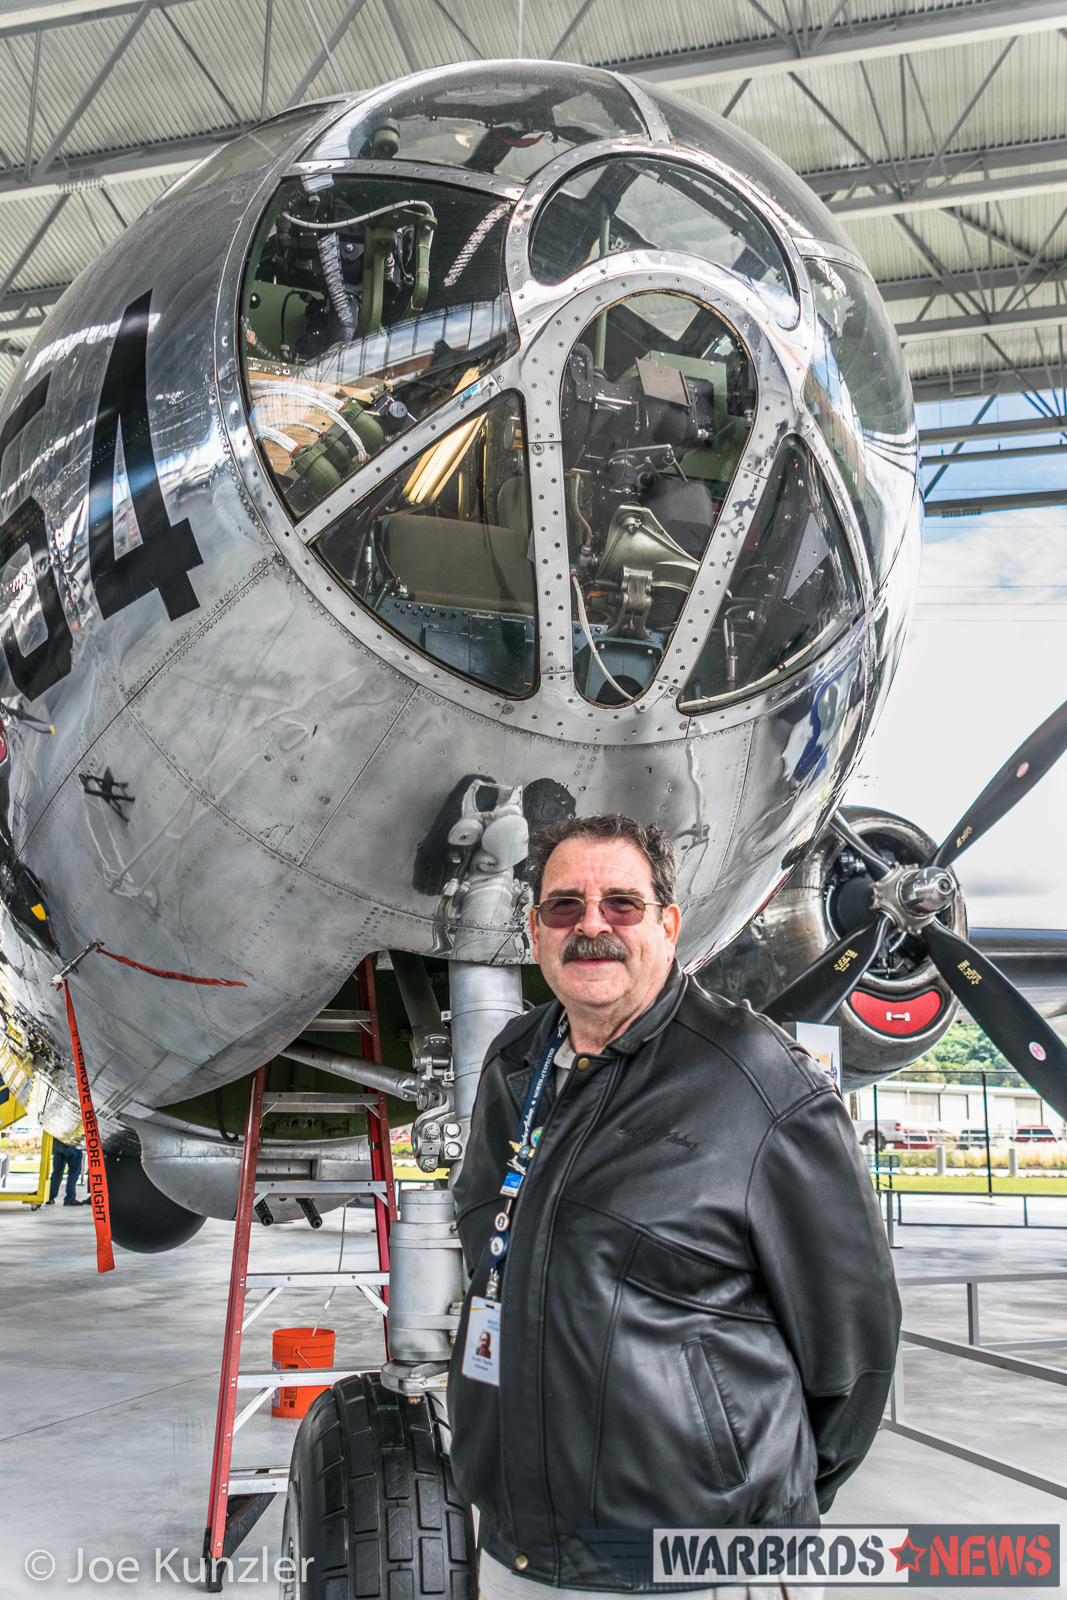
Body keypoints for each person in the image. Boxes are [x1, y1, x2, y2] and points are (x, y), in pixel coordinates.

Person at [448, 814, 900, 1598]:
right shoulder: (513, 1062)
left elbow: (853, 1354)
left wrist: (754, 1504)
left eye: (621, 904)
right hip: (525, 1554)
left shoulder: (761, 1083)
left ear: (668, 922)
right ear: (534, 930)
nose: (592, 927)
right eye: (564, 907)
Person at [47, 1138, 86, 1206]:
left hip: (57, 1143)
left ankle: (50, 1197)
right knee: (74, 1171)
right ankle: (70, 1198)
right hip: (71, 1143)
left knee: (57, 1171)